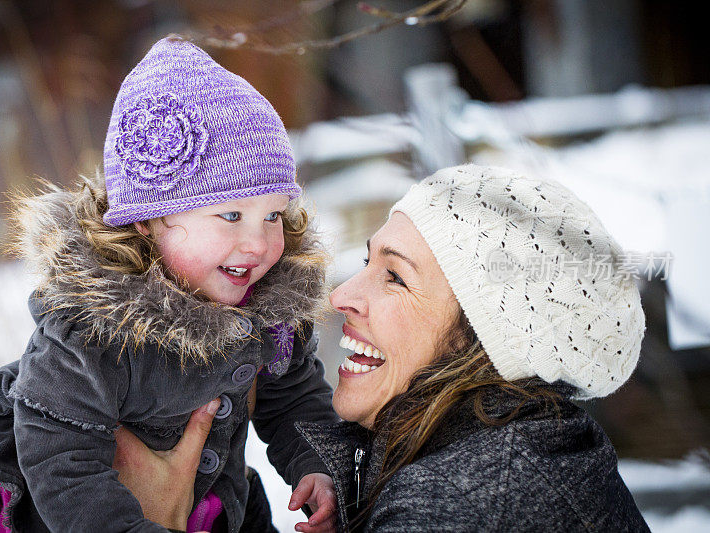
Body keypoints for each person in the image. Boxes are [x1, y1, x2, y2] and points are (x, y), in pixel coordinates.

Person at [119, 164, 651, 532]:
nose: (341, 295)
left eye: (394, 277)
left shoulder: (468, 503)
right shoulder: (480, 459)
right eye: (368, 261)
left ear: (482, 340)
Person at [0, 36, 339, 533]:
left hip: (215, 510)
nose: (259, 242)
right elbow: (62, 464)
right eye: (231, 214)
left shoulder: (268, 312)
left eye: (273, 215)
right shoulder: (89, 333)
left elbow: (294, 395)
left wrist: (317, 465)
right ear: (146, 221)